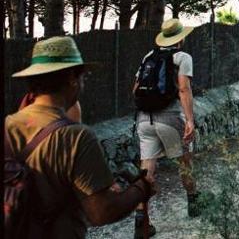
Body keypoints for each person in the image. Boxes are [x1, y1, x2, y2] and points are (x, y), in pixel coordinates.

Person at [5, 36, 155, 238]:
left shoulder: (8, 124)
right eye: (83, 76)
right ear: (71, 79)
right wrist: (141, 188)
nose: (84, 82)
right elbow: (101, 213)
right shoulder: (77, 137)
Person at [132, 18, 199, 237]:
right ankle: (194, 203)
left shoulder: (148, 57)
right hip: (169, 118)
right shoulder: (182, 57)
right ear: (181, 38)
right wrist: (189, 120)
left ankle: (141, 221)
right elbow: (183, 89)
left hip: (144, 119)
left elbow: (135, 90)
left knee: (147, 170)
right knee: (184, 161)